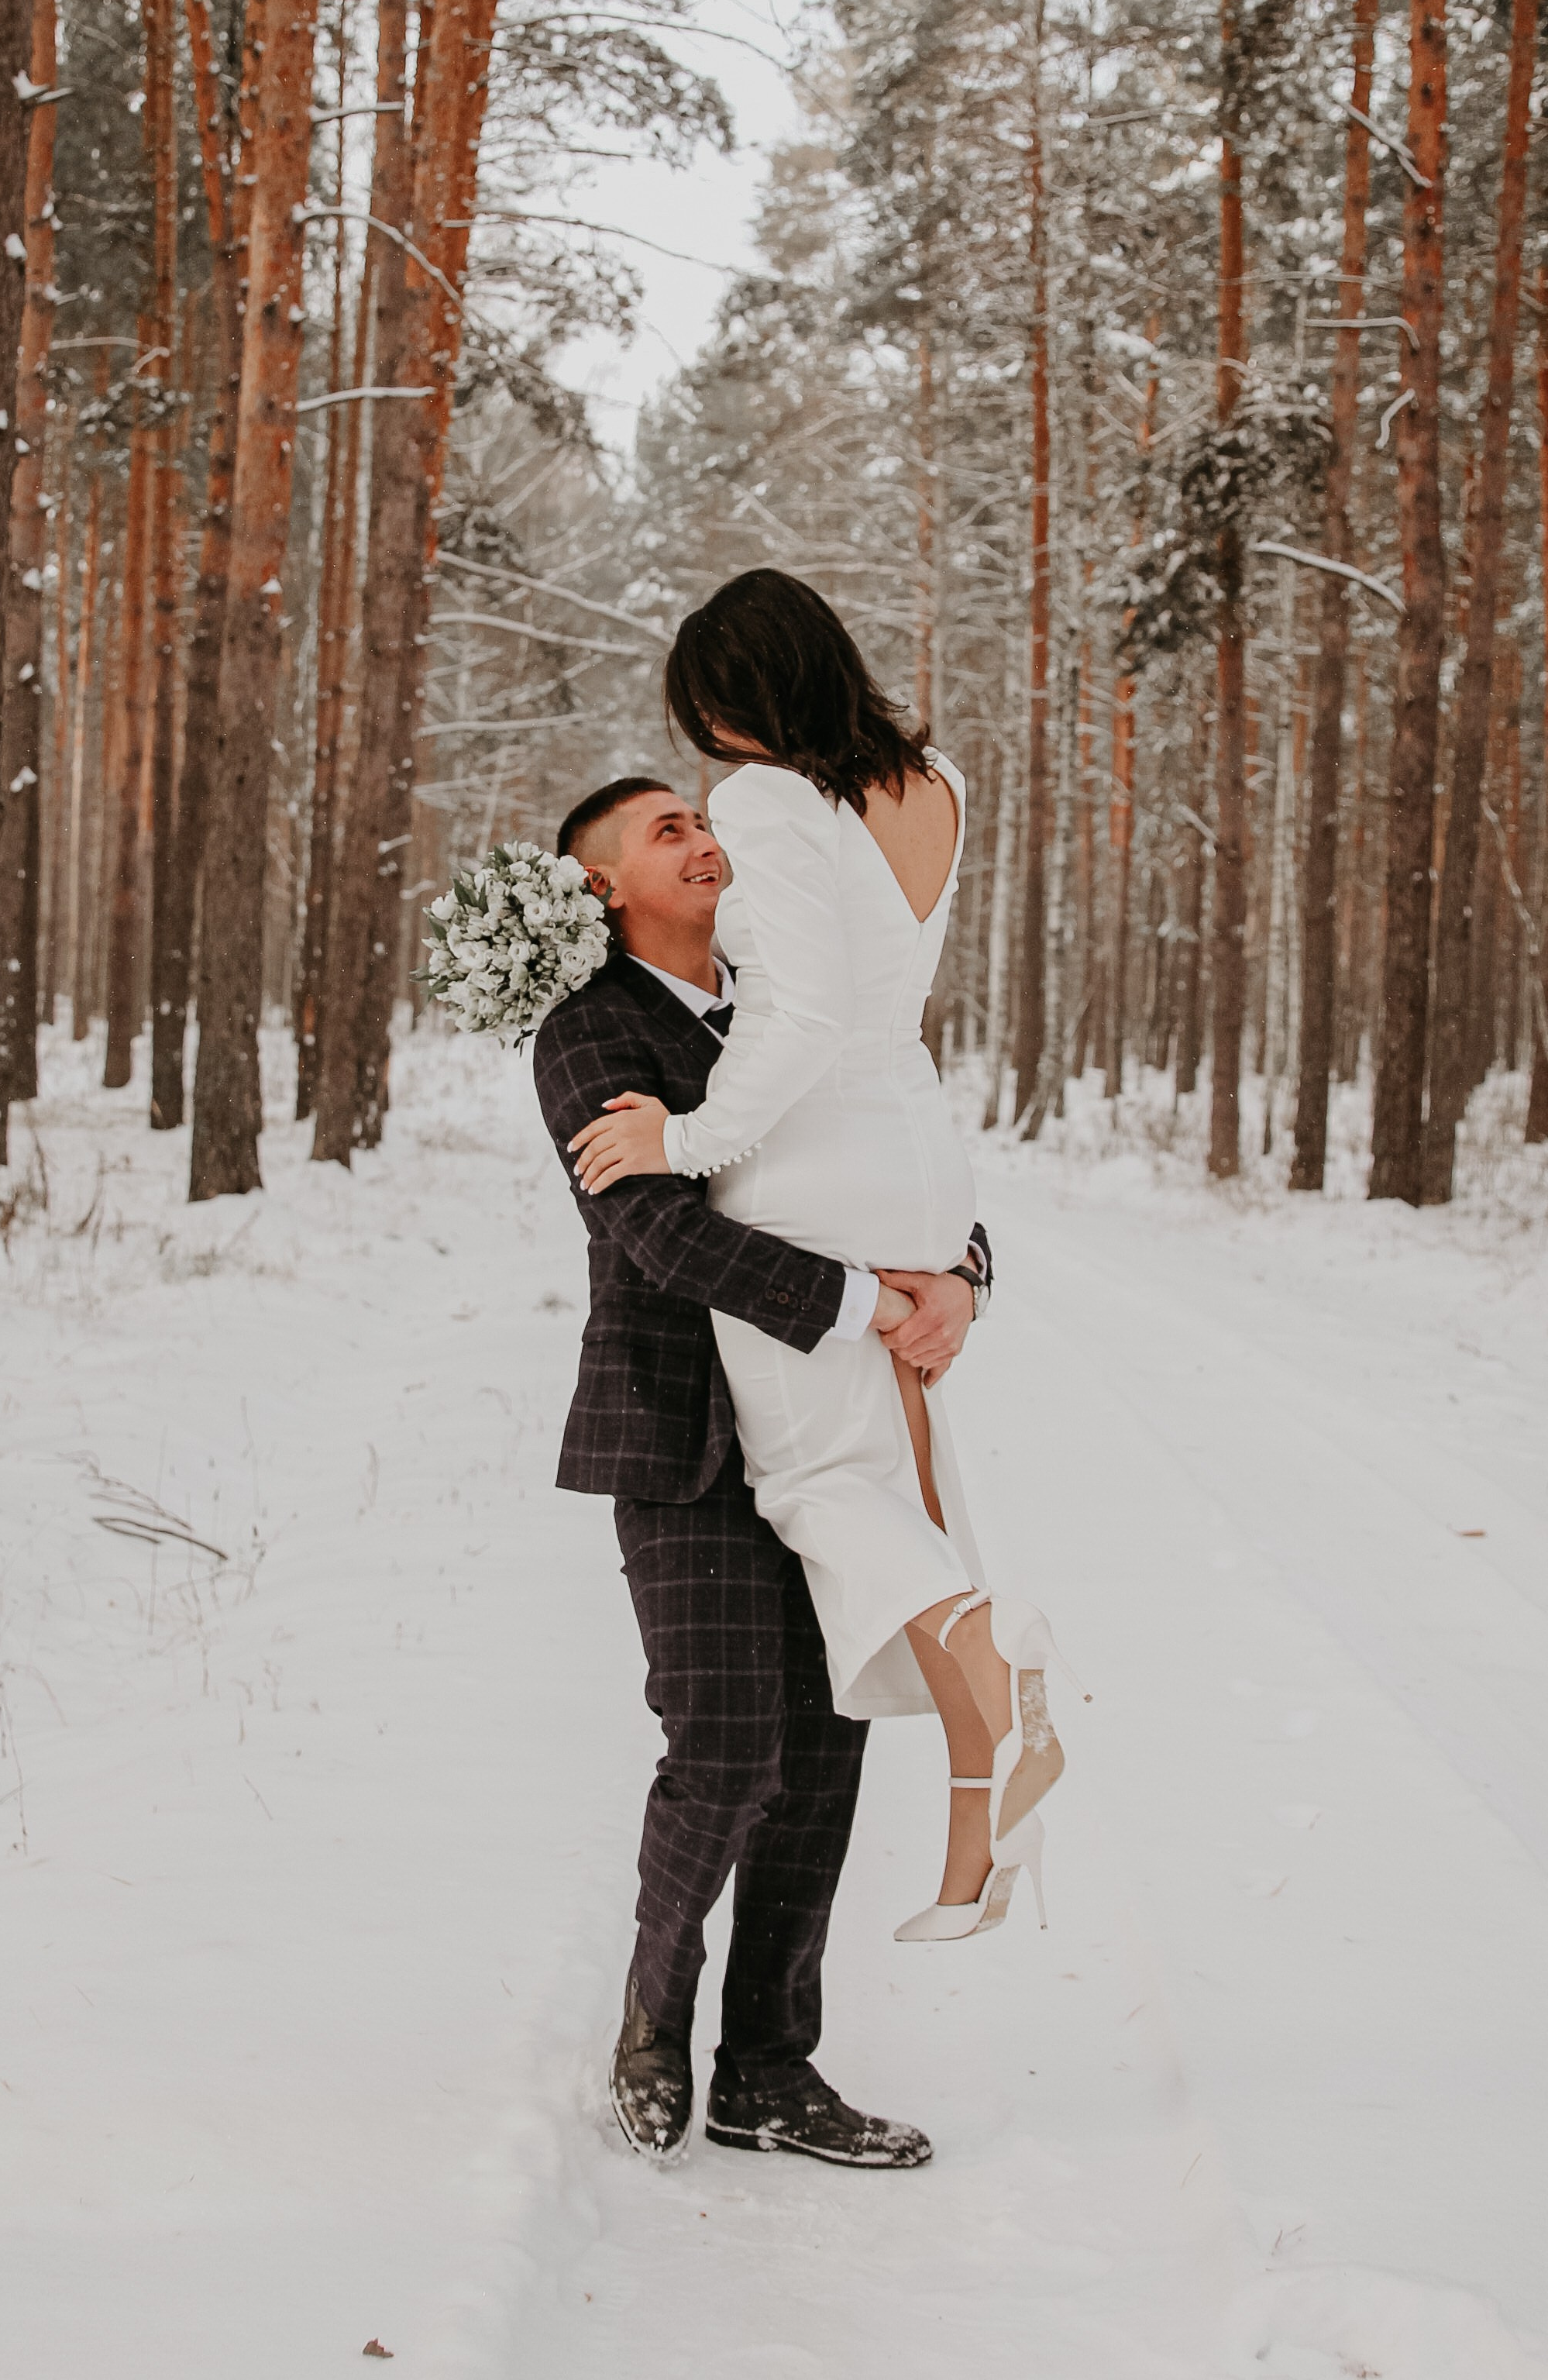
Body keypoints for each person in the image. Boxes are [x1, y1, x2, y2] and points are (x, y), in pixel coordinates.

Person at [569, 569, 1079, 1958]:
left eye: (709, 715)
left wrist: (689, 1136)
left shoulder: (768, 802)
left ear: (741, 690)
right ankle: (981, 1834)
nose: (710, 749)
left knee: (817, 1479)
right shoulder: (939, 784)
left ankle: (994, 1649)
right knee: (912, 1484)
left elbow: (794, 1022)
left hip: (814, 1157)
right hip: (921, 1149)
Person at [534, 772, 993, 2167]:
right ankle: (651, 2026)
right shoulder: (590, 1030)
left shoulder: (797, 996)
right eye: (666, 829)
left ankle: (769, 2072)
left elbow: (897, 1151)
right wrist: (871, 1300)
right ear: (604, 885)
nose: (704, 838)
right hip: (688, 1443)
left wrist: (961, 1276)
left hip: (839, 1436)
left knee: (826, 1758)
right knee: (727, 1753)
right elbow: (660, 1240)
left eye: (704, 817)